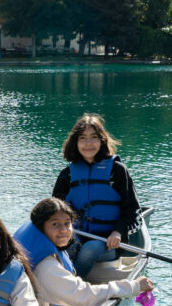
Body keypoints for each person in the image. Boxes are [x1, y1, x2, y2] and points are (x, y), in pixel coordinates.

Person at [13, 197, 153, 306]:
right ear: (40, 227)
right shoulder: (46, 266)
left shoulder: (37, 244)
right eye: (55, 224)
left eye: (67, 223)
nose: (63, 230)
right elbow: (85, 296)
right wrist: (133, 286)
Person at [52, 113, 143, 278]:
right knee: (63, 248)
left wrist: (117, 232)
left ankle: (72, 289)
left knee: (90, 249)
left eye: (93, 137)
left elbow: (135, 216)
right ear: (75, 142)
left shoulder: (118, 171)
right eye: (82, 138)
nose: (88, 143)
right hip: (75, 238)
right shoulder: (67, 175)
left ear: (102, 140)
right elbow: (52, 214)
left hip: (108, 244)